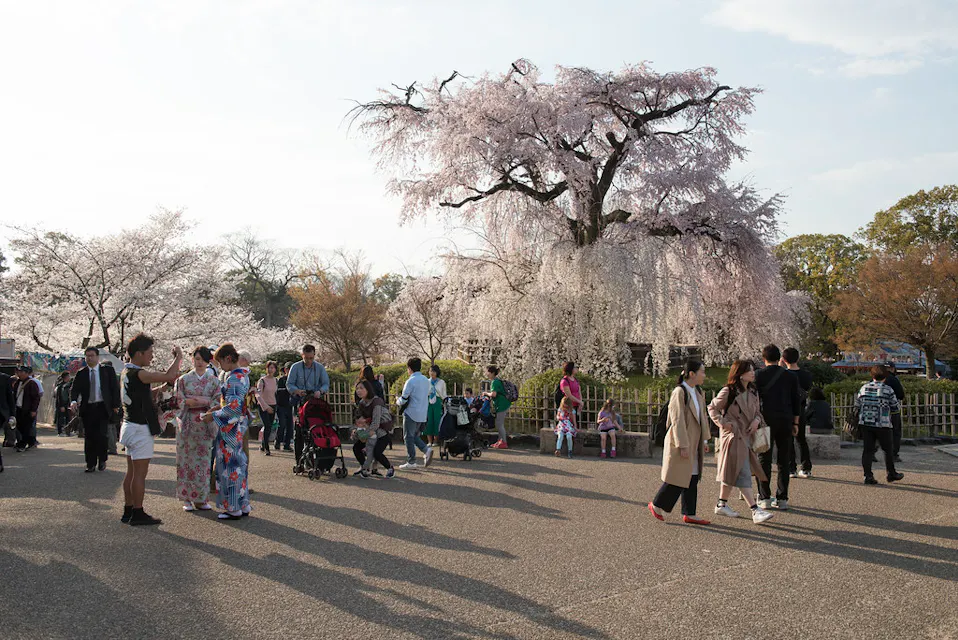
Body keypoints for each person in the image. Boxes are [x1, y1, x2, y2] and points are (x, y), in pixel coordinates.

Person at [119, 334, 183, 526]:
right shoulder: (140, 373)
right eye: (149, 353)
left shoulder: (126, 372)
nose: (151, 357)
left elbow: (146, 394)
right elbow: (171, 375)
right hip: (140, 429)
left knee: (130, 472)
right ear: (139, 353)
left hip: (129, 426)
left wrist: (163, 387)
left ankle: (128, 510)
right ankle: (138, 512)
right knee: (140, 474)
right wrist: (178, 357)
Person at [707, 360, 775, 524]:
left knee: (732, 472)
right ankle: (754, 510)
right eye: (750, 371)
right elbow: (712, 408)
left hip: (747, 436)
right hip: (733, 437)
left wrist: (756, 421)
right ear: (740, 373)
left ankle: (721, 504)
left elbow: (758, 412)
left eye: (753, 370)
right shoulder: (728, 391)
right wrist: (723, 423)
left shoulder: (753, 391)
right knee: (743, 471)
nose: (753, 373)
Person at [648, 360, 711, 525]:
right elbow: (677, 420)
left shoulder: (697, 392)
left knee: (692, 476)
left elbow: (702, 417)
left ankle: (690, 512)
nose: (704, 375)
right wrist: (682, 444)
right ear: (692, 373)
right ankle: (657, 504)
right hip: (682, 440)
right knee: (678, 476)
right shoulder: (680, 392)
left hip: (694, 440)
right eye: (702, 371)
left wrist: (704, 439)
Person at [201, 343, 253, 520]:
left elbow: (232, 408)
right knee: (239, 466)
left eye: (220, 362)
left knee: (228, 466)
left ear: (228, 359)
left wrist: (213, 415)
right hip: (238, 427)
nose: (219, 366)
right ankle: (243, 503)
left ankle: (233, 507)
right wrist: (219, 407)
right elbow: (233, 404)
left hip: (230, 429)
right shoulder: (243, 376)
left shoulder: (233, 379)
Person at [174, 346, 221, 512]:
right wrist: (187, 402)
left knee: (203, 462)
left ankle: (201, 498)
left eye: (202, 359)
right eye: (196, 359)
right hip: (187, 423)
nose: (199, 362)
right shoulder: (183, 380)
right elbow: (177, 400)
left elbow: (217, 402)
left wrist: (202, 402)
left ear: (208, 361)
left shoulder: (214, 381)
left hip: (205, 423)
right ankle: (186, 498)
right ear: (192, 360)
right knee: (186, 461)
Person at [754, 345, 801, 511]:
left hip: (763, 421)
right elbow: (796, 401)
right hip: (786, 420)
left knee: (763, 459)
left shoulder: (758, 375)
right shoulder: (790, 376)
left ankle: (764, 497)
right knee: (784, 460)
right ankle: (782, 498)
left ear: (763, 358)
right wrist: (796, 423)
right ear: (779, 358)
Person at [70, 347, 122, 472]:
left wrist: (116, 405)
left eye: (92, 355)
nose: (89, 358)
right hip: (88, 408)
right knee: (89, 437)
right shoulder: (81, 373)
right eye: (87, 356)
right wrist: (73, 401)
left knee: (102, 435)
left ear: (97, 357)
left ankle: (102, 459)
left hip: (102, 407)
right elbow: (75, 389)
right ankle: (90, 463)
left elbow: (114, 388)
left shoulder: (107, 371)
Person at [856, 366, 904, 485]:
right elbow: (895, 407)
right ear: (885, 376)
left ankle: (868, 475)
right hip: (883, 423)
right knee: (887, 449)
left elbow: (857, 404)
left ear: (872, 376)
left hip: (866, 422)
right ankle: (891, 473)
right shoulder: (887, 389)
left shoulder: (864, 388)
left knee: (867, 450)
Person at [287, 344, 330, 464]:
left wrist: (320, 391)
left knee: (315, 430)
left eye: (311, 358)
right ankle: (299, 461)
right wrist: (297, 391)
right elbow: (289, 384)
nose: (309, 361)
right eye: (306, 358)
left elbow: (326, 383)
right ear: (302, 356)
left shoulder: (320, 368)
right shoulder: (295, 367)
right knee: (299, 433)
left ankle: (313, 459)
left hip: (314, 403)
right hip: (300, 402)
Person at [781, 347, 814, 479]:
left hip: (787, 409)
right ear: (798, 358)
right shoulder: (806, 375)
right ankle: (806, 468)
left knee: (788, 440)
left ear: (783, 359)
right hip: (801, 409)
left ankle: (791, 468)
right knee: (801, 439)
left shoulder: (783, 375)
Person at [352, 380, 395, 478]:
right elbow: (360, 420)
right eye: (357, 389)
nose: (358, 391)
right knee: (356, 447)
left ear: (368, 389)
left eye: (361, 388)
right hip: (371, 431)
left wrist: (366, 433)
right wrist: (357, 431)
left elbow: (376, 423)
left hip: (383, 432)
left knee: (377, 452)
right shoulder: (362, 403)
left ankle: (390, 468)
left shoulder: (377, 402)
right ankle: (365, 467)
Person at [397, 357, 433, 470]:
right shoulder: (426, 380)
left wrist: (397, 401)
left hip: (411, 413)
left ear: (409, 368)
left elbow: (404, 399)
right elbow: (430, 393)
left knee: (408, 437)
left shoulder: (410, 381)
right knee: (414, 436)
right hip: (422, 413)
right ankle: (426, 450)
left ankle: (411, 461)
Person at [12, 365, 41, 451]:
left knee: (26, 427)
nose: (19, 374)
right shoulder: (17, 382)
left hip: (28, 409)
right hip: (18, 408)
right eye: (19, 372)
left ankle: (22, 445)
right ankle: (31, 442)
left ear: (27, 373)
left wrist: (33, 410)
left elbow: (36, 398)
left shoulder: (32, 383)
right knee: (20, 426)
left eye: (21, 372)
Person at [483, 365, 512, 449]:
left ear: (492, 373)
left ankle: (504, 442)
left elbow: (493, 394)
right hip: (502, 404)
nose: (486, 374)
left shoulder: (495, 382)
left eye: (487, 372)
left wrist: (485, 393)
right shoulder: (496, 381)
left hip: (502, 404)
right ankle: (500, 441)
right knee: (499, 423)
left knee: (499, 424)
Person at [884, 362, 905, 463]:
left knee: (876, 432)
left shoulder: (875, 379)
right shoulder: (893, 379)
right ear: (892, 368)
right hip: (892, 410)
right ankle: (894, 454)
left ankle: (872, 453)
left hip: (877, 411)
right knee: (895, 432)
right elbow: (901, 395)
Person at [256, 361, 279, 456]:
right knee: (268, 425)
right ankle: (267, 448)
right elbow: (258, 395)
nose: (271, 370)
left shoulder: (276, 380)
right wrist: (266, 407)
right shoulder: (262, 381)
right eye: (269, 367)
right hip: (263, 406)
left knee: (269, 427)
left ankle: (262, 444)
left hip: (273, 405)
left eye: (273, 368)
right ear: (266, 369)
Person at [424, 364, 447, 448]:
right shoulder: (426, 381)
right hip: (428, 401)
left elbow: (444, 395)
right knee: (429, 420)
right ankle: (429, 441)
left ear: (437, 372)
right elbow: (424, 393)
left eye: (433, 371)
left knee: (437, 421)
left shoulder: (441, 382)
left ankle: (436, 440)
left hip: (438, 401)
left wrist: (439, 394)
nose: (431, 373)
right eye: (430, 371)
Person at [274, 362, 293, 451]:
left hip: (290, 405)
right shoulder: (281, 380)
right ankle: (277, 442)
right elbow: (277, 392)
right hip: (281, 405)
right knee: (282, 424)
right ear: (285, 370)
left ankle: (287, 444)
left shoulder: (294, 380)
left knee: (290, 426)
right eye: (289, 369)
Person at [54, 371, 73, 436]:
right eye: (68, 376)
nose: (69, 377)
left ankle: (68, 431)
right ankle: (60, 432)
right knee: (60, 418)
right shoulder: (60, 386)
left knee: (68, 418)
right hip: (61, 405)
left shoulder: (69, 385)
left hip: (67, 404)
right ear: (65, 377)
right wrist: (61, 406)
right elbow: (59, 397)